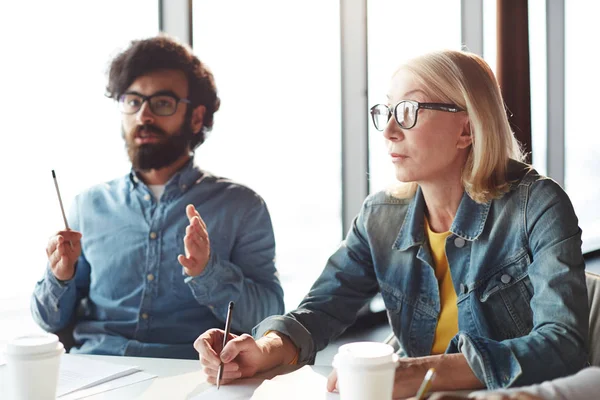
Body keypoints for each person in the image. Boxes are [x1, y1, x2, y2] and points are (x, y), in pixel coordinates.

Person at [194, 49, 589, 396]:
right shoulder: (381, 214)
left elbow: (563, 345)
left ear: (466, 129)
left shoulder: (536, 205)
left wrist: (421, 372)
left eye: (409, 111)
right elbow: (322, 309)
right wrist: (263, 352)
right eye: (386, 111)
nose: (388, 130)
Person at [31, 35, 284, 359]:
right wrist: (59, 277)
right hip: (96, 370)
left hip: (191, 374)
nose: (143, 116)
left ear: (196, 117)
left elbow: (269, 319)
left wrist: (208, 270)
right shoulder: (88, 206)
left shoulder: (241, 207)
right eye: (133, 101)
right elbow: (49, 321)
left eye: (162, 103)